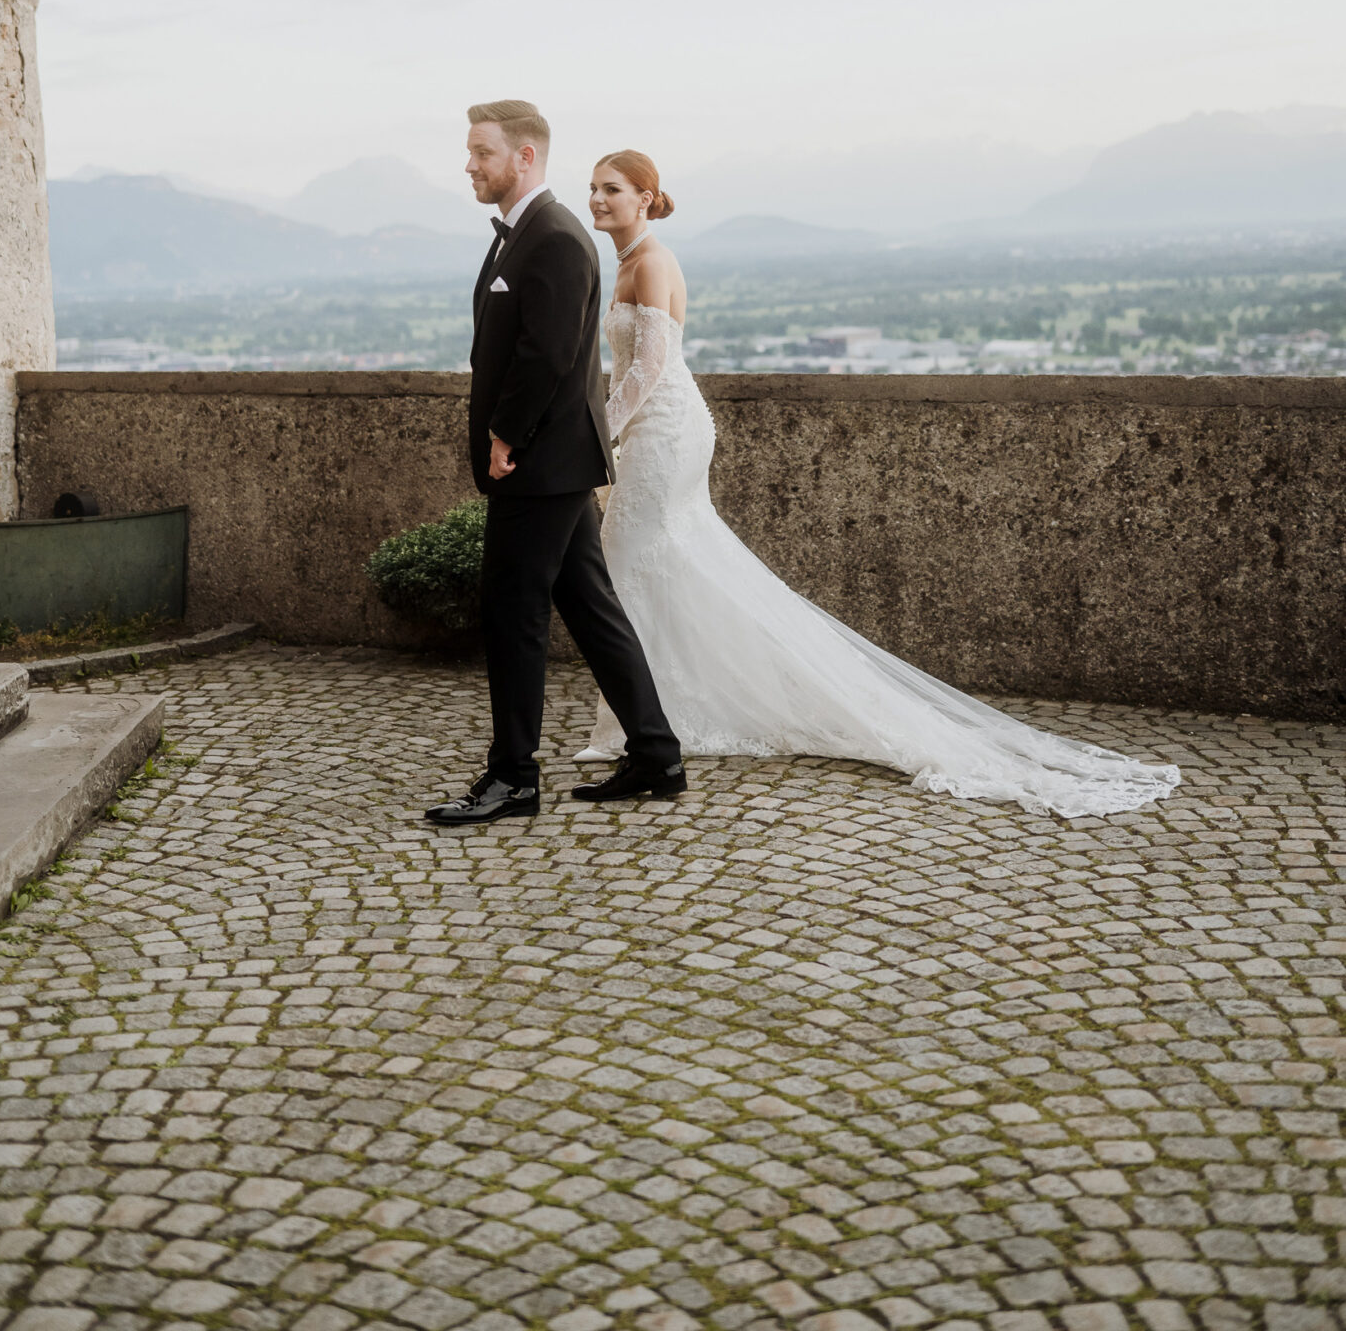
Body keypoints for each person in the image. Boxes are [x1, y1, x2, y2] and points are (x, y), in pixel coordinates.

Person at [577, 148, 1181, 821]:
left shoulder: (653, 261)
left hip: (664, 433)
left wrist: (598, 434)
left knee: (623, 567)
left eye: (613, 188)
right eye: (595, 188)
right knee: (659, 572)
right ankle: (647, 724)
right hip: (661, 430)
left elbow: (651, 367)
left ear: (645, 197)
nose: (599, 198)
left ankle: (642, 732)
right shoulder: (630, 261)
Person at [425, 102, 685, 827]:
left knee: (512, 613)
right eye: (471, 151)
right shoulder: (523, 236)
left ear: (525, 157)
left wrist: (505, 435)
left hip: (541, 462)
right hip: (554, 462)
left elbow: (549, 352)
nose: (470, 165)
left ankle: (513, 778)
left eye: (482, 151)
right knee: (591, 608)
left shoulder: (559, 238)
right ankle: (657, 756)